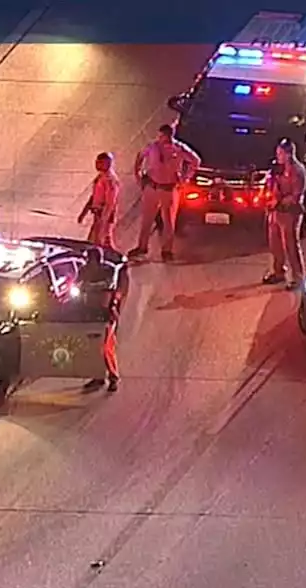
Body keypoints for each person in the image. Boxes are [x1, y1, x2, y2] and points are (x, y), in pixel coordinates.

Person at [131, 124, 201, 261]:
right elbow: (139, 157)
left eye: (164, 136)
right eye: (160, 136)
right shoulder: (152, 147)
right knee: (147, 219)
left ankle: (167, 250)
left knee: (168, 221)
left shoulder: (179, 149)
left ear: (170, 135)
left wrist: (185, 178)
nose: (161, 139)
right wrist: (139, 176)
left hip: (169, 189)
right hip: (152, 187)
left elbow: (196, 161)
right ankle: (142, 247)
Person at [76, 246, 127, 393]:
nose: (89, 263)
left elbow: (110, 286)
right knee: (93, 347)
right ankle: (97, 376)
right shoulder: (83, 270)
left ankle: (113, 377)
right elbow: (78, 284)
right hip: (90, 312)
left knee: (106, 347)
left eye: (92, 260)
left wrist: (90, 287)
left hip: (106, 313)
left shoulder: (109, 270)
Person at [262, 137, 306, 289]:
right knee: (274, 243)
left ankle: (298, 277)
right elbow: (270, 184)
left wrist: (280, 202)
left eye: (280, 153)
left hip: (290, 214)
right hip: (275, 212)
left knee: (290, 245)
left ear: (289, 154)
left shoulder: (298, 171)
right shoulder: (277, 169)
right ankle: (278, 272)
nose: (278, 156)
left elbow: (296, 196)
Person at [78, 151, 121, 250]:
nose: (97, 165)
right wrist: (84, 212)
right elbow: (94, 196)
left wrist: (103, 220)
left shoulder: (110, 180)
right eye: (97, 162)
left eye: (101, 163)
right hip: (98, 214)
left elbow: (110, 202)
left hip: (104, 214)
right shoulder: (101, 176)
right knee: (98, 240)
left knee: (101, 241)